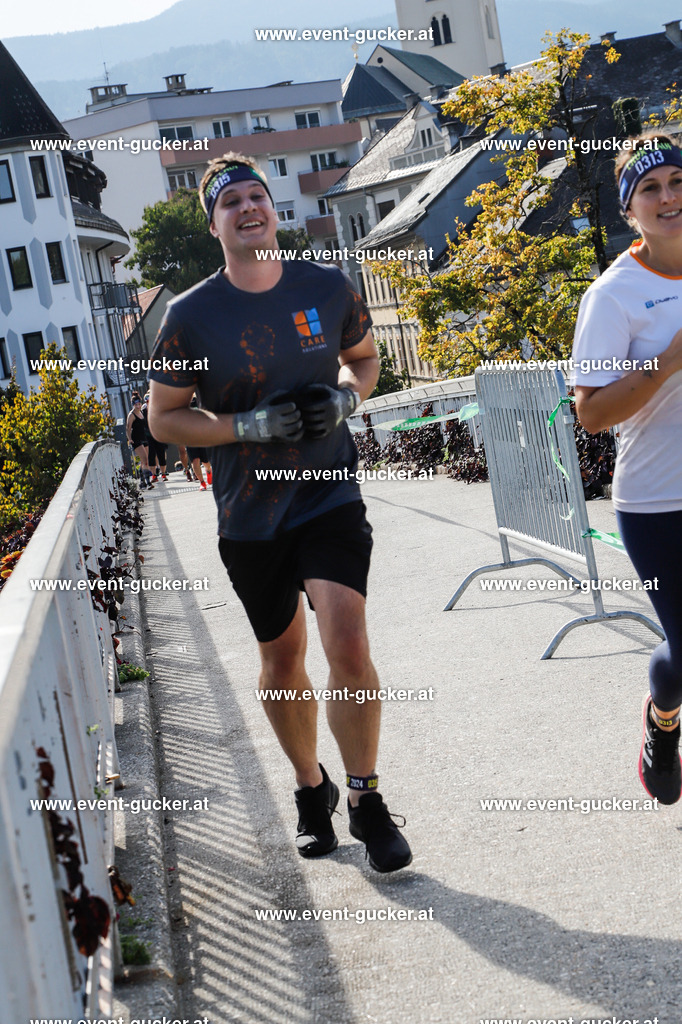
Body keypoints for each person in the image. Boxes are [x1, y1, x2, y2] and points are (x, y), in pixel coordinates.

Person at [148, 153, 412, 872]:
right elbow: (165, 420)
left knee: (348, 644)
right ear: (214, 225)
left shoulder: (325, 287)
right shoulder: (191, 317)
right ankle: (310, 787)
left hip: (329, 492)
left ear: (276, 209)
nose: (248, 208)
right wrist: (248, 428)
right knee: (281, 659)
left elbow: (364, 358)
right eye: (231, 202)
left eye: (257, 196)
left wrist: (349, 398)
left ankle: (366, 799)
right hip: (249, 513)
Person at [572, 132, 682, 805]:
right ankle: (662, 715)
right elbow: (590, 412)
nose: (668, 197)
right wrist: (666, 361)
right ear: (629, 209)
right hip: (657, 503)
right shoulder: (615, 295)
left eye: (678, 181)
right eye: (651, 188)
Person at [126, 392, 154, 489]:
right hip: (136, 440)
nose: (138, 406)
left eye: (139, 404)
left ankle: (142, 482)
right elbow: (128, 428)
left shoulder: (141, 412)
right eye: (136, 405)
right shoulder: (132, 415)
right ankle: (148, 482)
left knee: (144, 461)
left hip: (144, 438)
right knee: (145, 460)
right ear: (133, 404)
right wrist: (129, 439)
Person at [143, 391, 168, 481]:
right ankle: (154, 475)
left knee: (161, 453)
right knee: (151, 455)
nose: (149, 403)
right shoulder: (143, 411)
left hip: (158, 434)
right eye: (147, 401)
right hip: (148, 436)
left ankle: (163, 473)